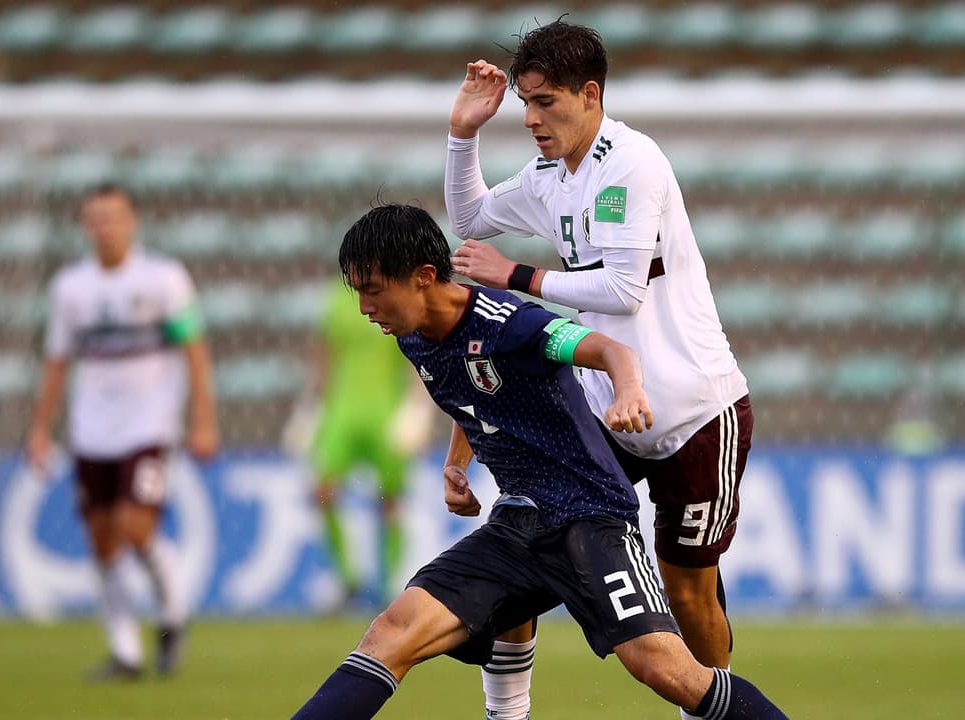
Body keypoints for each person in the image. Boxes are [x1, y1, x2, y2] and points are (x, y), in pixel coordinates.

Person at [286, 203, 786, 720]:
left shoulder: (511, 324)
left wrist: (628, 391)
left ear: (423, 278)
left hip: (589, 518)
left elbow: (610, 351)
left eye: (372, 290)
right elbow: (472, 391)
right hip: (519, 522)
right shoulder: (414, 335)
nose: (365, 307)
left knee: (662, 667)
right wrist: (457, 462)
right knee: (393, 631)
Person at [445, 18, 753, 720]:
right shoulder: (551, 174)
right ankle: (508, 714)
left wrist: (517, 274)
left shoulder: (634, 163)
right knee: (521, 540)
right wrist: (464, 134)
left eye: (545, 101)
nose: (529, 119)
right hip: (605, 407)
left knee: (687, 593)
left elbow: (623, 289)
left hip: (693, 412)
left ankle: (712, 712)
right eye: (524, 102)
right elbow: (469, 214)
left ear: (590, 94)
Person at [27, 184, 220, 680]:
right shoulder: (70, 288)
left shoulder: (163, 280)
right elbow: (56, 362)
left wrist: (202, 420)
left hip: (149, 426)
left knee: (136, 527)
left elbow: (194, 350)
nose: (105, 227)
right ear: (85, 226)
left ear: (132, 222)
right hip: (91, 429)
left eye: (113, 217)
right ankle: (126, 651)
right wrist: (40, 430)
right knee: (101, 539)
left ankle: (172, 611)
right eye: (95, 219)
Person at [304, 280, 432, 607]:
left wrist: (417, 408)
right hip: (340, 411)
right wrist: (310, 407)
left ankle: (388, 586)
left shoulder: (394, 296)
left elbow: (414, 354)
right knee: (322, 490)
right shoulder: (335, 299)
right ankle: (348, 578)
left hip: (386, 411)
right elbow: (325, 356)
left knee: (389, 501)